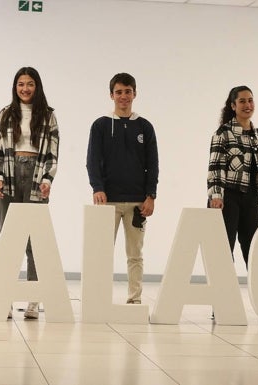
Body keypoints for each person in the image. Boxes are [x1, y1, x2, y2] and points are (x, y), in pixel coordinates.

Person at [0, 67, 59, 320]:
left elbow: (52, 152)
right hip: (8, 176)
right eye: (20, 84)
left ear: (37, 87)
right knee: (10, 240)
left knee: (34, 242)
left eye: (30, 84)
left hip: (36, 176)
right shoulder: (5, 114)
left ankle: (33, 299)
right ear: (15, 87)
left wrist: (48, 179)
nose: (25, 89)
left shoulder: (48, 116)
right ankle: (5, 299)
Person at [86, 73, 159, 305]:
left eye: (128, 91)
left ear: (134, 94)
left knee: (135, 256)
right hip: (107, 202)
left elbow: (153, 164)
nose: (123, 96)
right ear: (111, 95)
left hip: (138, 203)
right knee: (102, 254)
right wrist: (98, 187)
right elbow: (92, 160)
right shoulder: (100, 126)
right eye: (119, 92)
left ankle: (134, 300)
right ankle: (99, 299)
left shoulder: (145, 127)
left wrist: (151, 196)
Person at [207, 86, 258, 269]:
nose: (247, 105)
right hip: (228, 197)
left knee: (255, 249)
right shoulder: (223, 133)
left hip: (251, 198)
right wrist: (216, 196)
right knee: (224, 248)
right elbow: (216, 166)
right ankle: (224, 292)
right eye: (242, 101)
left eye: (250, 100)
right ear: (233, 106)